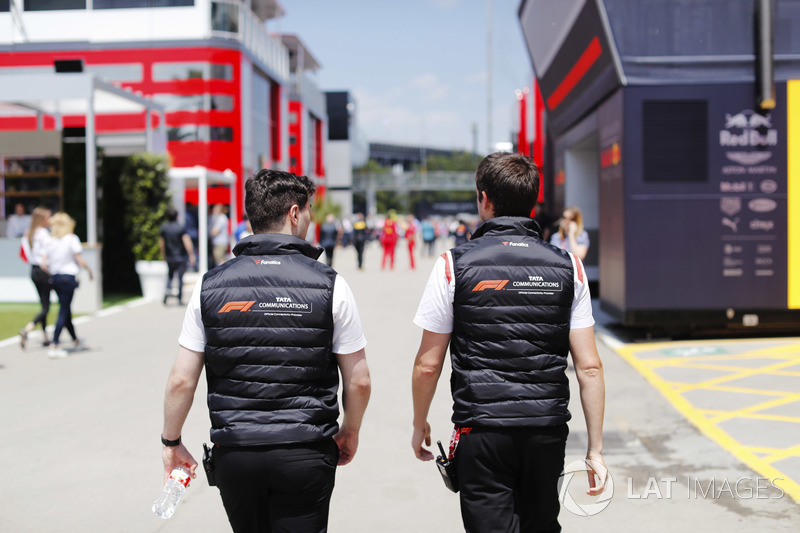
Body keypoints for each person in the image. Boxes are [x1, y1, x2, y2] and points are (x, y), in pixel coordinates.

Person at [160, 169, 371, 533]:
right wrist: (350, 430)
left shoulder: (209, 284)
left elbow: (182, 379)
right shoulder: (330, 284)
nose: (309, 219)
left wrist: (171, 441)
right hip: (306, 449)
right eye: (308, 211)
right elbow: (360, 380)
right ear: (294, 213)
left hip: (237, 451)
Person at [410, 152, 606, 532]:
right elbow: (590, 366)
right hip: (546, 428)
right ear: (532, 200)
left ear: (484, 198)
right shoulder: (569, 266)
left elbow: (427, 364)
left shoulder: (453, 264)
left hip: (481, 429)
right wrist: (595, 450)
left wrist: (419, 424)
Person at [46, 212, 94, 359]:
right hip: (68, 277)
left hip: (55, 277)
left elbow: (46, 261)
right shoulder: (71, 239)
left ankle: (75, 339)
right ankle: (54, 343)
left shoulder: (51, 241)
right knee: (64, 310)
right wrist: (90, 271)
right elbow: (79, 259)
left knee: (65, 310)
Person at [19, 207, 53, 348]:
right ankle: (28, 328)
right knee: (46, 307)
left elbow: (25, 254)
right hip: (43, 269)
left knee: (43, 304)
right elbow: (47, 254)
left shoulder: (28, 234)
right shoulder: (44, 234)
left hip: (33, 270)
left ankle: (45, 336)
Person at [159, 207, 196, 305]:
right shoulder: (180, 228)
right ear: (177, 216)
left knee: (170, 276)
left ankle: (166, 294)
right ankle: (179, 298)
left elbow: (162, 244)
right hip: (180, 256)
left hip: (170, 256)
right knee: (180, 278)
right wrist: (191, 254)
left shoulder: (164, 228)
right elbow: (186, 241)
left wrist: (163, 255)